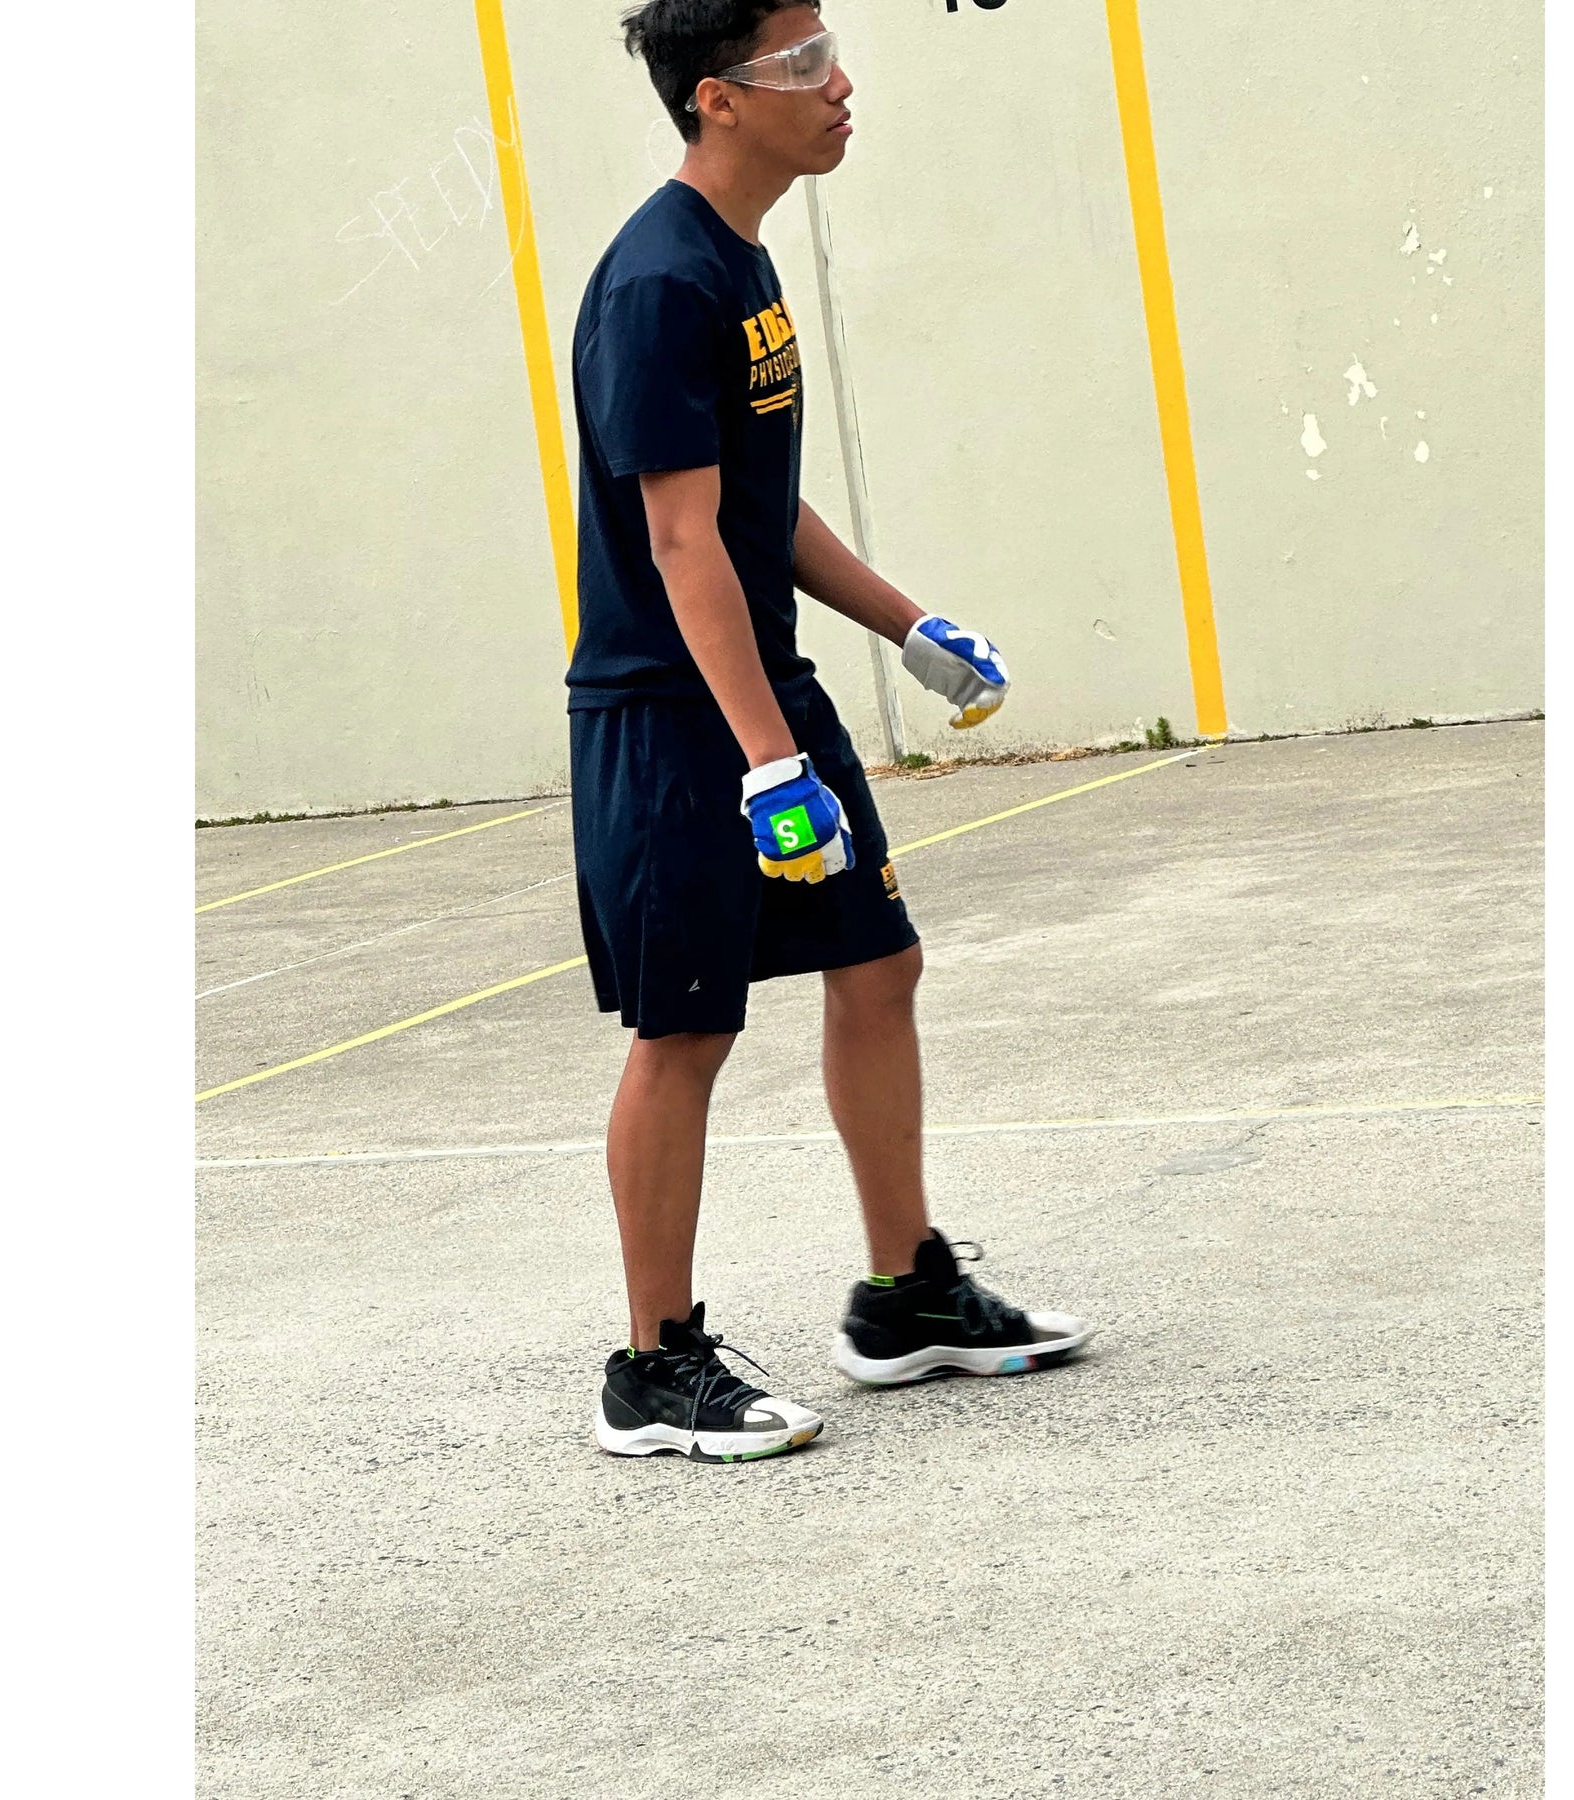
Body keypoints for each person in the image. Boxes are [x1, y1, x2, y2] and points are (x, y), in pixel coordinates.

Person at [571, 0, 1090, 1464]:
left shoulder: (738, 257)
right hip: (675, 715)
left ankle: (903, 1293)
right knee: (687, 1027)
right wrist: (767, 762)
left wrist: (908, 627)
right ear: (718, 99)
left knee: (879, 964)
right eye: (799, 63)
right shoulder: (660, 281)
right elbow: (681, 544)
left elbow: (756, 506)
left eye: (829, 47)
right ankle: (652, 1366)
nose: (837, 82)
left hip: (761, 695)